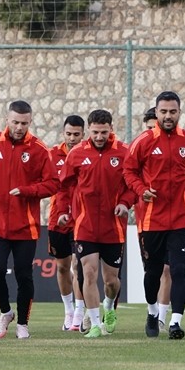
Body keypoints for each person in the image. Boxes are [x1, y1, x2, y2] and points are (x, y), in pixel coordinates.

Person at [0, 100, 60, 340]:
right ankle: (5, 312)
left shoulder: (39, 149)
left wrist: (28, 190)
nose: (19, 127)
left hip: (26, 227)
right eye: (15, 122)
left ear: (30, 122)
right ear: (7, 120)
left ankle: (23, 323)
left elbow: (53, 183)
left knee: (24, 275)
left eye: (24, 123)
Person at [123, 91, 185, 340]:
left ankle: (175, 322)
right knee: (153, 272)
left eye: (172, 111)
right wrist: (141, 190)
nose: (168, 116)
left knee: (179, 270)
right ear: (156, 112)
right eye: (163, 111)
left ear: (179, 112)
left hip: (182, 218)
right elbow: (129, 171)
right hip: (152, 220)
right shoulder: (144, 141)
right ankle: (152, 312)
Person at [56, 109, 135, 338]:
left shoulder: (123, 152)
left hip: (113, 228)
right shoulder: (77, 154)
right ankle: (96, 324)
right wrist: (63, 211)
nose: (99, 136)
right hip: (85, 226)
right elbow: (64, 187)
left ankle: (109, 307)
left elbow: (133, 184)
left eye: (104, 132)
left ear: (111, 129)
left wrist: (124, 203)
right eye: (95, 132)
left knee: (111, 282)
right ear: (88, 129)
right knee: (88, 274)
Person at [48, 115, 86, 331]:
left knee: (78, 266)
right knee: (62, 267)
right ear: (64, 134)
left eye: (76, 134)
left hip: (81, 219)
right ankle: (68, 311)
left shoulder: (87, 155)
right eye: (69, 134)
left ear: (83, 134)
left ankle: (79, 313)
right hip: (57, 219)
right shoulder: (52, 155)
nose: (72, 138)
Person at [137, 107, 174, 330]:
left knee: (169, 270)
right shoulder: (140, 148)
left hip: (173, 220)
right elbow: (129, 179)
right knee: (153, 270)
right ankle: (152, 311)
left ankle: (161, 316)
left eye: (155, 127)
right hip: (146, 221)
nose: (153, 131)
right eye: (150, 127)